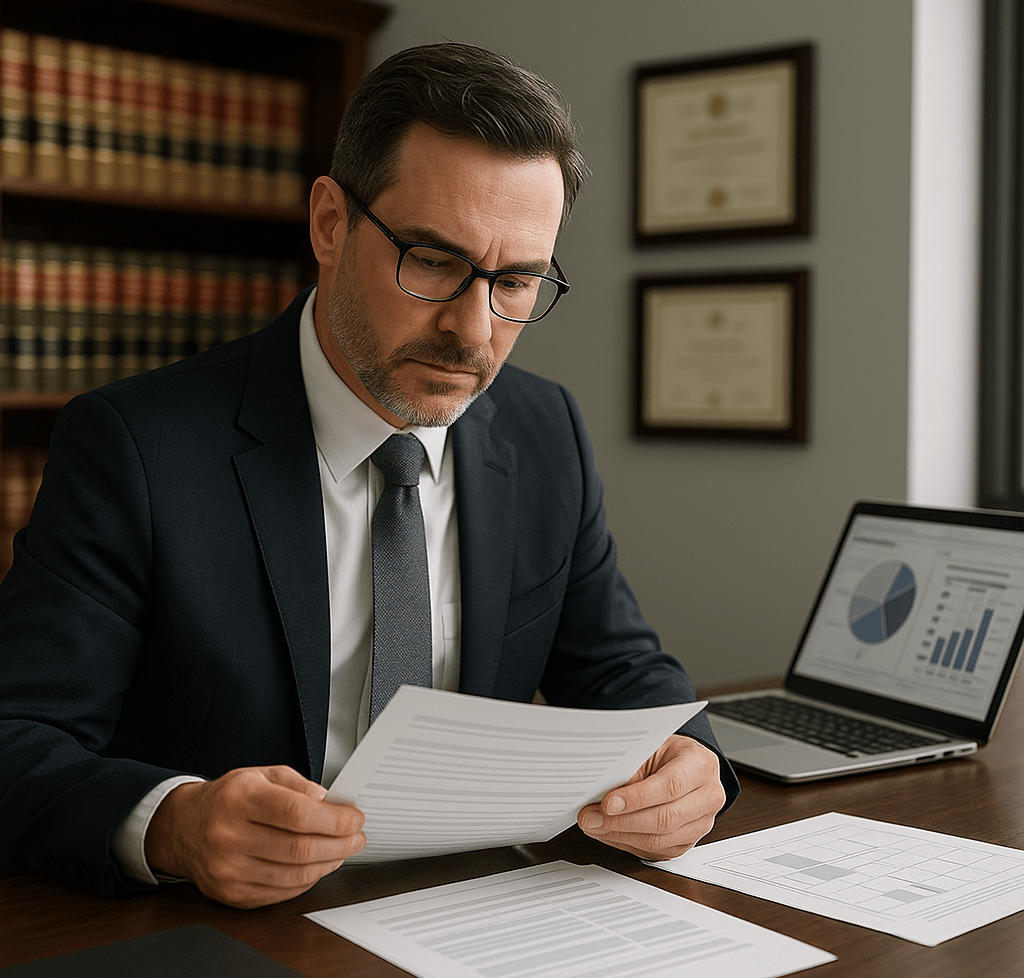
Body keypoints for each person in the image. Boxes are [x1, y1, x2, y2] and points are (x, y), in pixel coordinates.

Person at [0, 42, 738, 909]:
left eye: (518, 281)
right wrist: (176, 824)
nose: (474, 330)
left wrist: (695, 763)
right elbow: (17, 737)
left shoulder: (546, 432)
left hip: (477, 914)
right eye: (432, 261)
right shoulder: (136, 446)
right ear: (329, 224)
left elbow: (621, 673)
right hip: (224, 935)